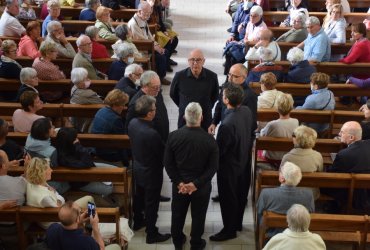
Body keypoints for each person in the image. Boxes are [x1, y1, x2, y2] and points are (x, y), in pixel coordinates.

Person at [164, 102, 219, 250]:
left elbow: (168, 164)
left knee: (177, 214)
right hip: (201, 187)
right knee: (198, 215)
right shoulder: (210, 140)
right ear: (202, 118)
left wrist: (179, 183)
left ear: (184, 117)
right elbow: (213, 168)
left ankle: (177, 242)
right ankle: (196, 243)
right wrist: (195, 184)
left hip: (179, 187)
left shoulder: (173, 136)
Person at [209, 84, 252, 241]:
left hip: (229, 167)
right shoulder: (246, 111)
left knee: (228, 199)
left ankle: (229, 230)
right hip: (243, 161)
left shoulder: (226, 125)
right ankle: (237, 223)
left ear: (226, 100)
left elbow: (220, 150)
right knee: (240, 195)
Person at [128, 95, 171, 243]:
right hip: (151, 172)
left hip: (138, 167)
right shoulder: (151, 134)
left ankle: (138, 221)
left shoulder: (133, 123)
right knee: (152, 204)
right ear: (149, 113)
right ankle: (152, 233)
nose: (156, 111)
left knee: (139, 196)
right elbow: (162, 154)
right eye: (154, 109)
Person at [26, 157, 93, 225]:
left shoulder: (31, 183)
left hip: (52, 217)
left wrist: (57, 197)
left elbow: (58, 203)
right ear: (42, 172)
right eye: (49, 168)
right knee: (89, 199)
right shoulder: (44, 197)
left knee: (81, 207)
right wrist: (56, 195)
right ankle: (93, 223)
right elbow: (61, 205)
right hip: (58, 222)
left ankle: (89, 222)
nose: (51, 170)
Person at [55, 127, 113, 197]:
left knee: (115, 170)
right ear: (70, 141)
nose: (77, 140)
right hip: (82, 180)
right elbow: (88, 164)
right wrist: (79, 146)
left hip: (86, 169)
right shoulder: (66, 158)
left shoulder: (64, 146)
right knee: (109, 189)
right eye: (75, 138)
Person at [170, 49, 219, 131]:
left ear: (203, 61)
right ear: (188, 61)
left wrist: (207, 107)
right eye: (192, 59)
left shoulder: (212, 76)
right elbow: (173, 94)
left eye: (198, 60)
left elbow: (215, 96)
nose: (195, 63)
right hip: (185, 117)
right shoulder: (179, 76)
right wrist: (183, 105)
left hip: (204, 117)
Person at [325, 121, 370, 210]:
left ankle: (333, 206)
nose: (339, 134)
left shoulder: (344, 155)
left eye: (342, 132)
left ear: (351, 137)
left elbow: (331, 175)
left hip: (353, 193)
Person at [256, 162, 315, 226]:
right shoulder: (308, 195)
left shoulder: (266, 194)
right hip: (299, 230)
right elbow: (311, 215)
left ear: (282, 178)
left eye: (280, 172)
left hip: (272, 232)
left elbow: (259, 213)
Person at [46, 201, 121, 250]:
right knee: (116, 247)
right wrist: (95, 227)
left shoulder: (52, 229)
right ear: (77, 219)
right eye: (80, 211)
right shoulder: (86, 241)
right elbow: (101, 248)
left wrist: (79, 223)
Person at [127, 1, 171, 85]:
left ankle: (161, 75)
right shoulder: (133, 24)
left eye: (149, 14)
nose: (148, 17)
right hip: (141, 50)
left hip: (149, 45)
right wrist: (155, 48)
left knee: (165, 51)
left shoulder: (142, 19)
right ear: (139, 11)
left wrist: (157, 45)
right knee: (160, 57)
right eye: (146, 14)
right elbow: (141, 40)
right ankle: (160, 78)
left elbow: (149, 36)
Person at [281, 125, 323, 199]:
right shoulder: (318, 156)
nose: (292, 138)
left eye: (294, 136)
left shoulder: (287, 157)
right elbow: (320, 172)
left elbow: (282, 176)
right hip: (310, 193)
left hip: (291, 192)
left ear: (297, 140)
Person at [126, 71, 169, 143]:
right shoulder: (136, 103)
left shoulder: (156, 93)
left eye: (159, 86)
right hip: (150, 143)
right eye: (155, 87)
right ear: (145, 86)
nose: (158, 90)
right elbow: (130, 128)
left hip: (163, 137)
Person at [91, 89, 129, 166]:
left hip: (97, 148)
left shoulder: (101, 110)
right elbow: (121, 143)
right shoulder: (115, 119)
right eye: (122, 105)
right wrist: (126, 163)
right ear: (115, 105)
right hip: (109, 153)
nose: (123, 107)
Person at [260, 93, 299, 167]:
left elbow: (262, 135)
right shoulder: (296, 122)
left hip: (271, 157)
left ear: (277, 108)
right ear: (291, 107)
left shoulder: (271, 124)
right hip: (288, 156)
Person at [0, 149, 26, 250]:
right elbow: (28, 181)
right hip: (14, 227)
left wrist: (7, 165)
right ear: (3, 166)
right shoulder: (20, 182)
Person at [70, 67, 103, 133]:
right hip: (86, 121)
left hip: (76, 119)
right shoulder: (88, 94)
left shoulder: (74, 87)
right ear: (79, 82)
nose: (88, 79)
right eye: (85, 79)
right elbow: (102, 103)